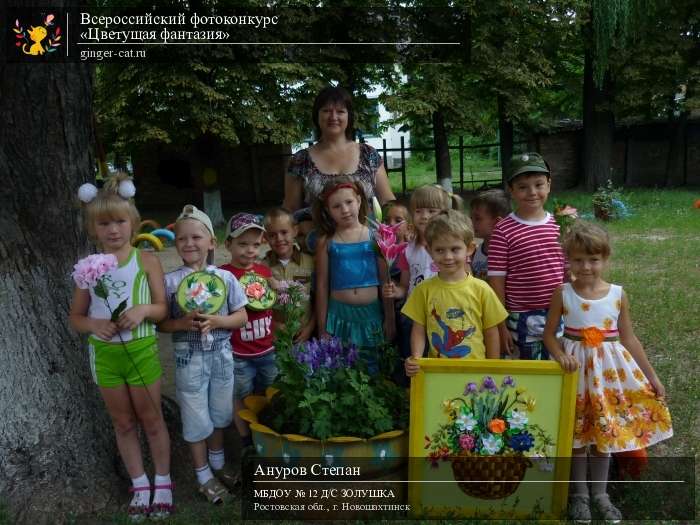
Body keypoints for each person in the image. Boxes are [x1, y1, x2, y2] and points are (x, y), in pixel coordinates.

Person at [543, 221, 673, 522]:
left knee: (602, 436)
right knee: (576, 438)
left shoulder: (617, 294)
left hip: (608, 375)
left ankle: (601, 494)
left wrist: (652, 376)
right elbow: (549, 335)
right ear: (568, 260)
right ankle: (578, 496)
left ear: (605, 258)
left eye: (593, 259)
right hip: (574, 373)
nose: (586, 266)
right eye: (578, 259)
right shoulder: (562, 293)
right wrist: (560, 354)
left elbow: (628, 338)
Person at [69, 174, 173, 520]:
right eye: (104, 223)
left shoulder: (146, 261)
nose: (113, 230)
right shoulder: (88, 268)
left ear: (133, 222)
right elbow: (76, 318)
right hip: (106, 355)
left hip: (141, 350)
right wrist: (95, 324)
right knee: (123, 422)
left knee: (152, 419)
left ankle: (164, 480)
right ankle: (140, 484)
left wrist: (143, 309)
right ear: (92, 228)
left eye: (119, 221)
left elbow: (162, 309)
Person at [159, 205, 248, 505]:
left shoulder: (224, 279)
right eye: (181, 238)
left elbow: (242, 317)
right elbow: (162, 324)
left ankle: (219, 464)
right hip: (189, 361)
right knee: (196, 417)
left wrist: (219, 321)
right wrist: (181, 323)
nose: (188, 243)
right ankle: (202, 475)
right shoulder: (171, 283)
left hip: (222, 357)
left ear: (211, 242)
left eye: (196, 237)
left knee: (221, 413)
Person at [283, 86, 396, 240]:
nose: (333, 116)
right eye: (326, 110)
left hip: (368, 247)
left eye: (340, 111)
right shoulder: (300, 160)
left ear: (349, 116)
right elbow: (290, 210)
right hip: (320, 249)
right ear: (317, 115)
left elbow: (387, 202)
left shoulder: (369, 155)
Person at [403, 210, 507, 377]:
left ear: (470, 248)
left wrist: (492, 369)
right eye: (440, 250)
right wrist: (416, 358)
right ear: (429, 251)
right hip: (437, 374)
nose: (448, 257)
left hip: (476, 373)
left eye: (455, 249)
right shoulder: (423, 290)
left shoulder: (482, 289)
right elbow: (418, 330)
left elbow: (491, 332)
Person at [487, 152, 566, 359]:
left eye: (539, 184)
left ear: (549, 184)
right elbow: (496, 281)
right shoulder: (503, 230)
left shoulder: (561, 224)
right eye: (522, 187)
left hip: (558, 313)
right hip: (519, 318)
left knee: (558, 368)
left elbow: (568, 270)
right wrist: (501, 324)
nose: (532, 192)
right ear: (511, 190)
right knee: (525, 375)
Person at [313, 176, 395, 373]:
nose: (345, 209)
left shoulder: (376, 237)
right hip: (339, 316)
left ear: (359, 200)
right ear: (327, 210)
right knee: (340, 369)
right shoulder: (326, 242)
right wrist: (322, 327)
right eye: (336, 206)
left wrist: (390, 319)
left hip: (371, 316)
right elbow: (322, 286)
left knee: (371, 368)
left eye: (349, 202)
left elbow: (386, 281)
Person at [382, 185, 463, 368]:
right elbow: (405, 286)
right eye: (418, 211)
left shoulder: (451, 249)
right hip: (414, 316)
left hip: (444, 315)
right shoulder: (407, 250)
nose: (424, 216)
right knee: (415, 364)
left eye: (431, 211)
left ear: (444, 213)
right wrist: (396, 291)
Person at [220, 213, 277, 453]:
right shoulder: (222, 275)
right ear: (228, 245)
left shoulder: (264, 272)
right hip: (239, 353)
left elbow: (274, 301)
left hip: (267, 349)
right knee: (242, 396)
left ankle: (266, 434)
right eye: (242, 244)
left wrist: (277, 288)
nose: (249, 250)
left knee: (270, 394)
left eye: (255, 244)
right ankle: (246, 440)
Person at [263, 207, 316, 343]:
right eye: (272, 235)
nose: (279, 239)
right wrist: (273, 324)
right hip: (275, 338)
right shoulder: (262, 268)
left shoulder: (311, 262)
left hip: (304, 337)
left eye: (284, 232)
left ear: (295, 231)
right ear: (266, 238)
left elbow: (318, 300)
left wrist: (310, 328)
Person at [469, 189, 510, 280]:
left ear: (497, 222)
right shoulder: (474, 252)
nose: (471, 223)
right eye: (471, 218)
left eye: (477, 218)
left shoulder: (508, 254)